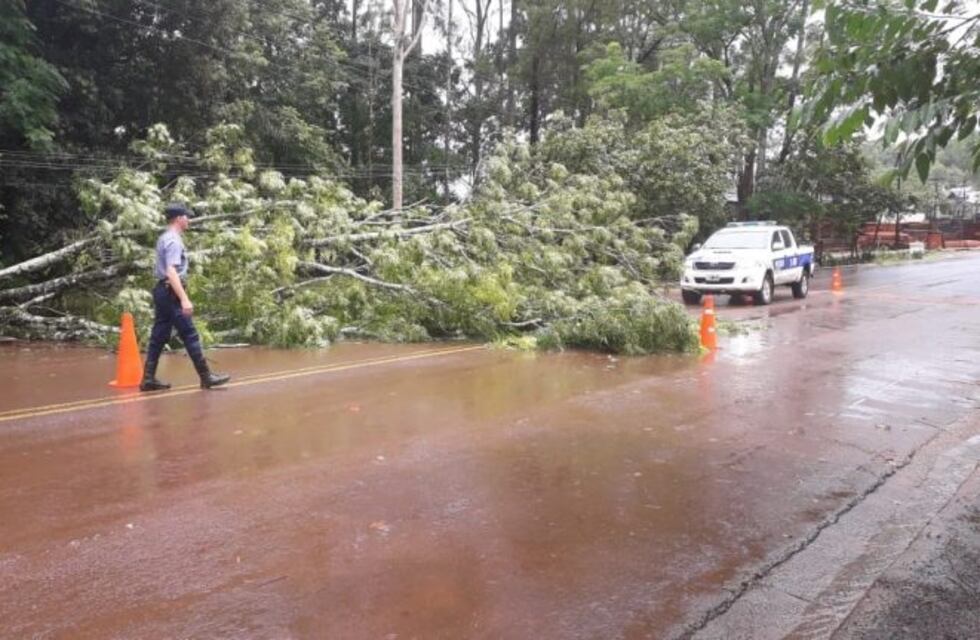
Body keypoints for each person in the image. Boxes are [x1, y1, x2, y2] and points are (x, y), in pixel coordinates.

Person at [140, 203, 230, 392]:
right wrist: (184, 299)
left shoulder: (164, 237)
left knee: (159, 336)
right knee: (189, 334)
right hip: (171, 292)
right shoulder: (173, 240)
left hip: (162, 291)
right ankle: (206, 377)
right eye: (186, 217)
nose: (188, 220)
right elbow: (172, 271)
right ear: (179, 218)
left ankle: (148, 379)